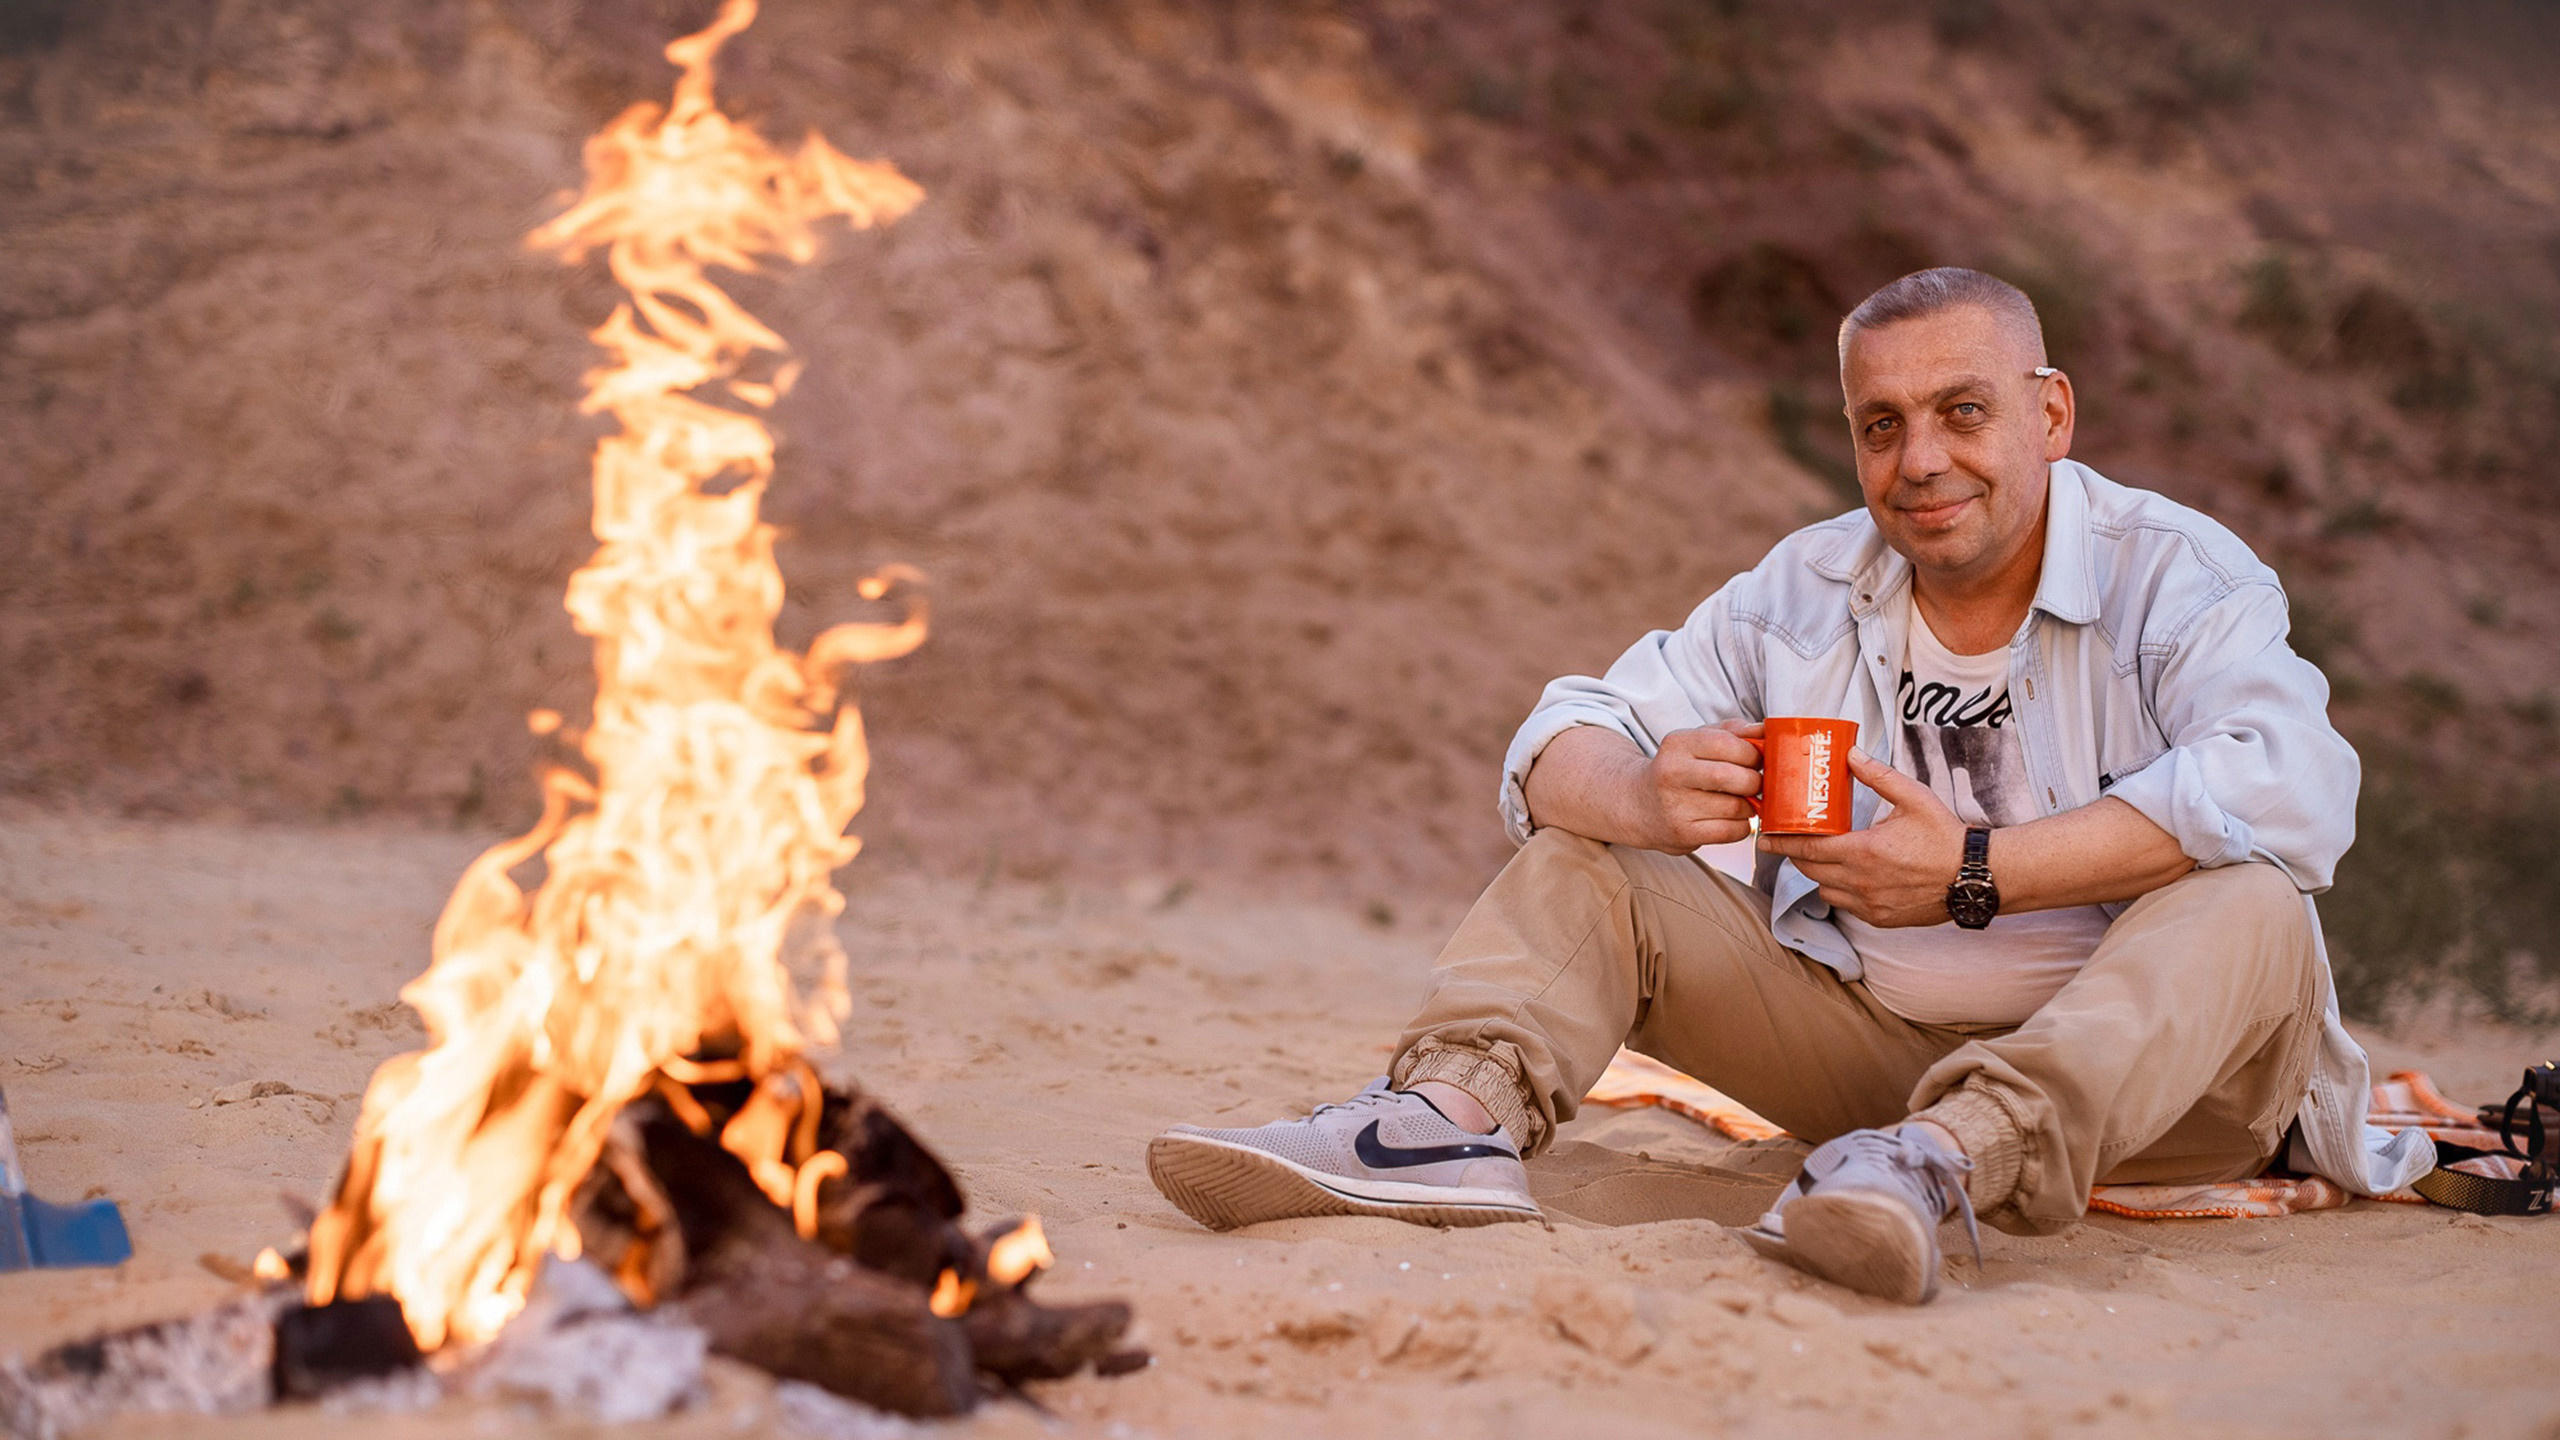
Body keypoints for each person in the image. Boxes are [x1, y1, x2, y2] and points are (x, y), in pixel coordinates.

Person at [1146, 267, 2436, 1304]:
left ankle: (1947, 1166)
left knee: (2254, 900)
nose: (1920, 460)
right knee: (1590, 856)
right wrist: (1645, 796)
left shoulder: (2175, 576)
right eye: (1883, 426)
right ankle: (1444, 1124)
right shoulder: (1809, 589)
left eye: (1963, 412)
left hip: (2172, 1098)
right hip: (1868, 1064)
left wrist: (1977, 873)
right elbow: (1559, 736)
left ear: (2051, 413)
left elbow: (2292, 787)